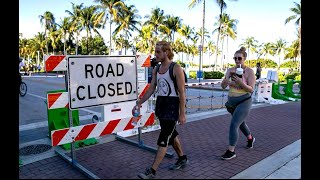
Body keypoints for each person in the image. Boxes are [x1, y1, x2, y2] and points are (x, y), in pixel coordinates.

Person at [133, 41, 188, 179]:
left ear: (166, 52)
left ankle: (152, 171)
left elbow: (182, 93)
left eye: (158, 52)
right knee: (171, 134)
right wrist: (140, 102)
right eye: (155, 51)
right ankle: (182, 158)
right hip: (161, 106)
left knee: (164, 138)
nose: (155, 54)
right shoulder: (157, 69)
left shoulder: (176, 68)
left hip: (172, 107)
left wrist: (182, 113)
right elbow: (152, 88)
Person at [220, 47, 256, 160]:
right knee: (240, 123)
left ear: (244, 59)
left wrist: (240, 82)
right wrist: (225, 82)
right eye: (235, 58)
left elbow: (251, 89)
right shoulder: (230, 70)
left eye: (239, 58)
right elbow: (223, 86)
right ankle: (250, 138)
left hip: (244, 101)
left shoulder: (249, 71)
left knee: (234, 124)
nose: (237, 60)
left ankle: (231, 151)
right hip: (231, 103)